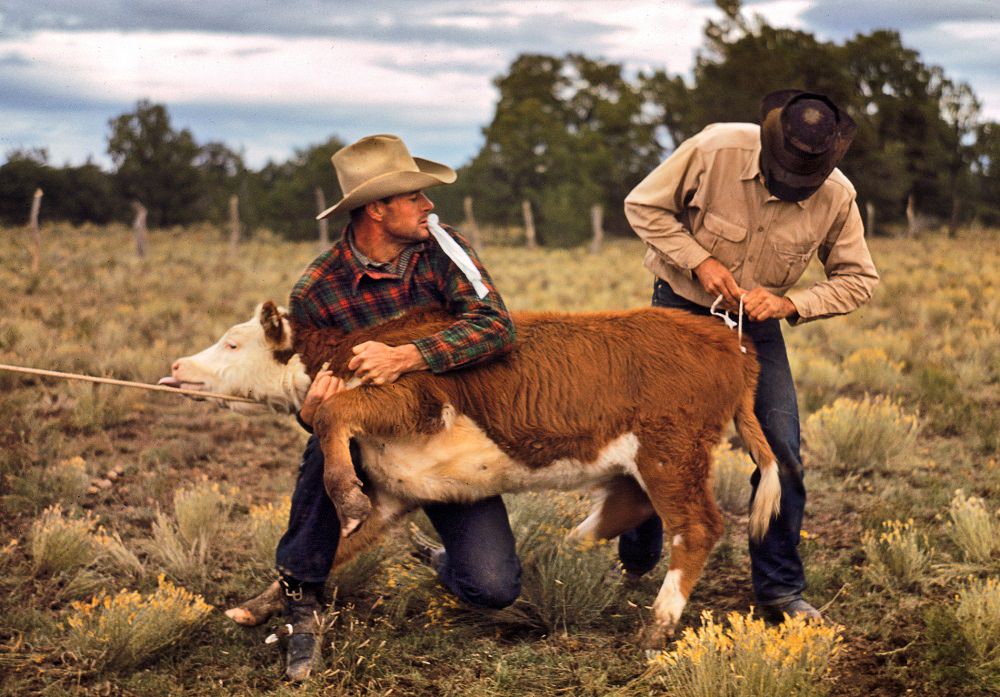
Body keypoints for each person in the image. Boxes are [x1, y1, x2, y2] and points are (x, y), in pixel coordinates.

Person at [622, 89, 879, 622]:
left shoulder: (838, 196)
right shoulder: (714, 149)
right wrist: (699, 261)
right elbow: (642, 206)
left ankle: (780, 591)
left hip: (755, 329)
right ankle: (640, 534)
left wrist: (790, 302)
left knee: (781, 453)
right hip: (680, 310)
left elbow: (858, 281)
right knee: (661, 440)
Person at [277, 134, 520, 680]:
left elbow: (497, 327)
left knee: (495, 588)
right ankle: (300, 598)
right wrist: (311, 412)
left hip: (444, 439)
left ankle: (439, 560)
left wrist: (409, 355)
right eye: (414, 196)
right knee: (325, 453)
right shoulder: (317, 290)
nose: (429, 206)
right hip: (369, 438)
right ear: (377, 209)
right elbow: (313, 393)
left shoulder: (441, 248)